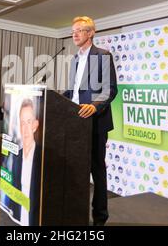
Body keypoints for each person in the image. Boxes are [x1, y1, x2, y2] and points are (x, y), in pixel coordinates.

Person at [63, 16, 117, 226]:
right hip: (74, 122)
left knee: (97, 171)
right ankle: (76, 214)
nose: (74, 34)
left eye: (79, 30)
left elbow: (110, 89)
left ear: (91, 32)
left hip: (95, 122)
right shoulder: (75, 59)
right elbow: (74, 91)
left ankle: (100, 218)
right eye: (73, 31)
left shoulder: (103, 55)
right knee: (76, 171)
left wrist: (94, 106)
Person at [10, 98, 42, 226]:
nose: (25, 128)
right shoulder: (16, 157)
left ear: (35, 125)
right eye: (22, 123)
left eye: (29, 122)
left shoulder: (42, 156)